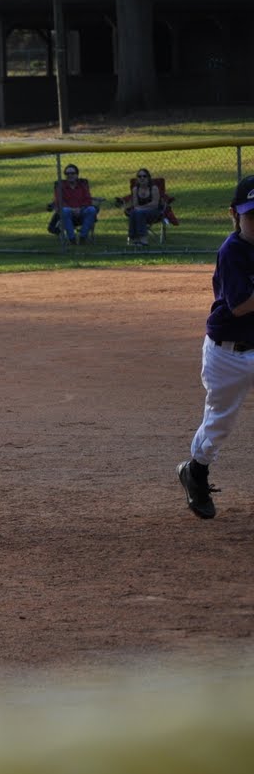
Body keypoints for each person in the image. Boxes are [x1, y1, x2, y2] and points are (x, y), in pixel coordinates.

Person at [179, 176, 254, 521]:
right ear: (234, 215)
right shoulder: (232, 252)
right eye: (252, 215)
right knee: (219, 424)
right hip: (228, 354)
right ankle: (196, 472)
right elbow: (239, 305)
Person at [119, 167, 171, 246]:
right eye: (139, 176)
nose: (142, 178)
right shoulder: (135, 189)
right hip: (139, 213)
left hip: (154, 213)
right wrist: (139, 209)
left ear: (148, 178)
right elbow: (135, 205)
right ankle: (134, 239)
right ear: (137, 179)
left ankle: (143, 240)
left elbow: (154, 204)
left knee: (139, 212)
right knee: (134, 212)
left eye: (144, 176)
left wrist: (141, 208)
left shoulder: (154, 188)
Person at [51, 163, 100, 244]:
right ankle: (72, 239)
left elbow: (88, 199)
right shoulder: (60, 186)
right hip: (67, 212)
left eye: (72, 173)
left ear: (77, 175)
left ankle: (82, 237)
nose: (70, 175)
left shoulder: (82, 185)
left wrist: (80, 208)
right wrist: (72, 209)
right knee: (65, 211)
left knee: (92, 209)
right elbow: (59, 200)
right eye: (67, 174)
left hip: (82, 211)